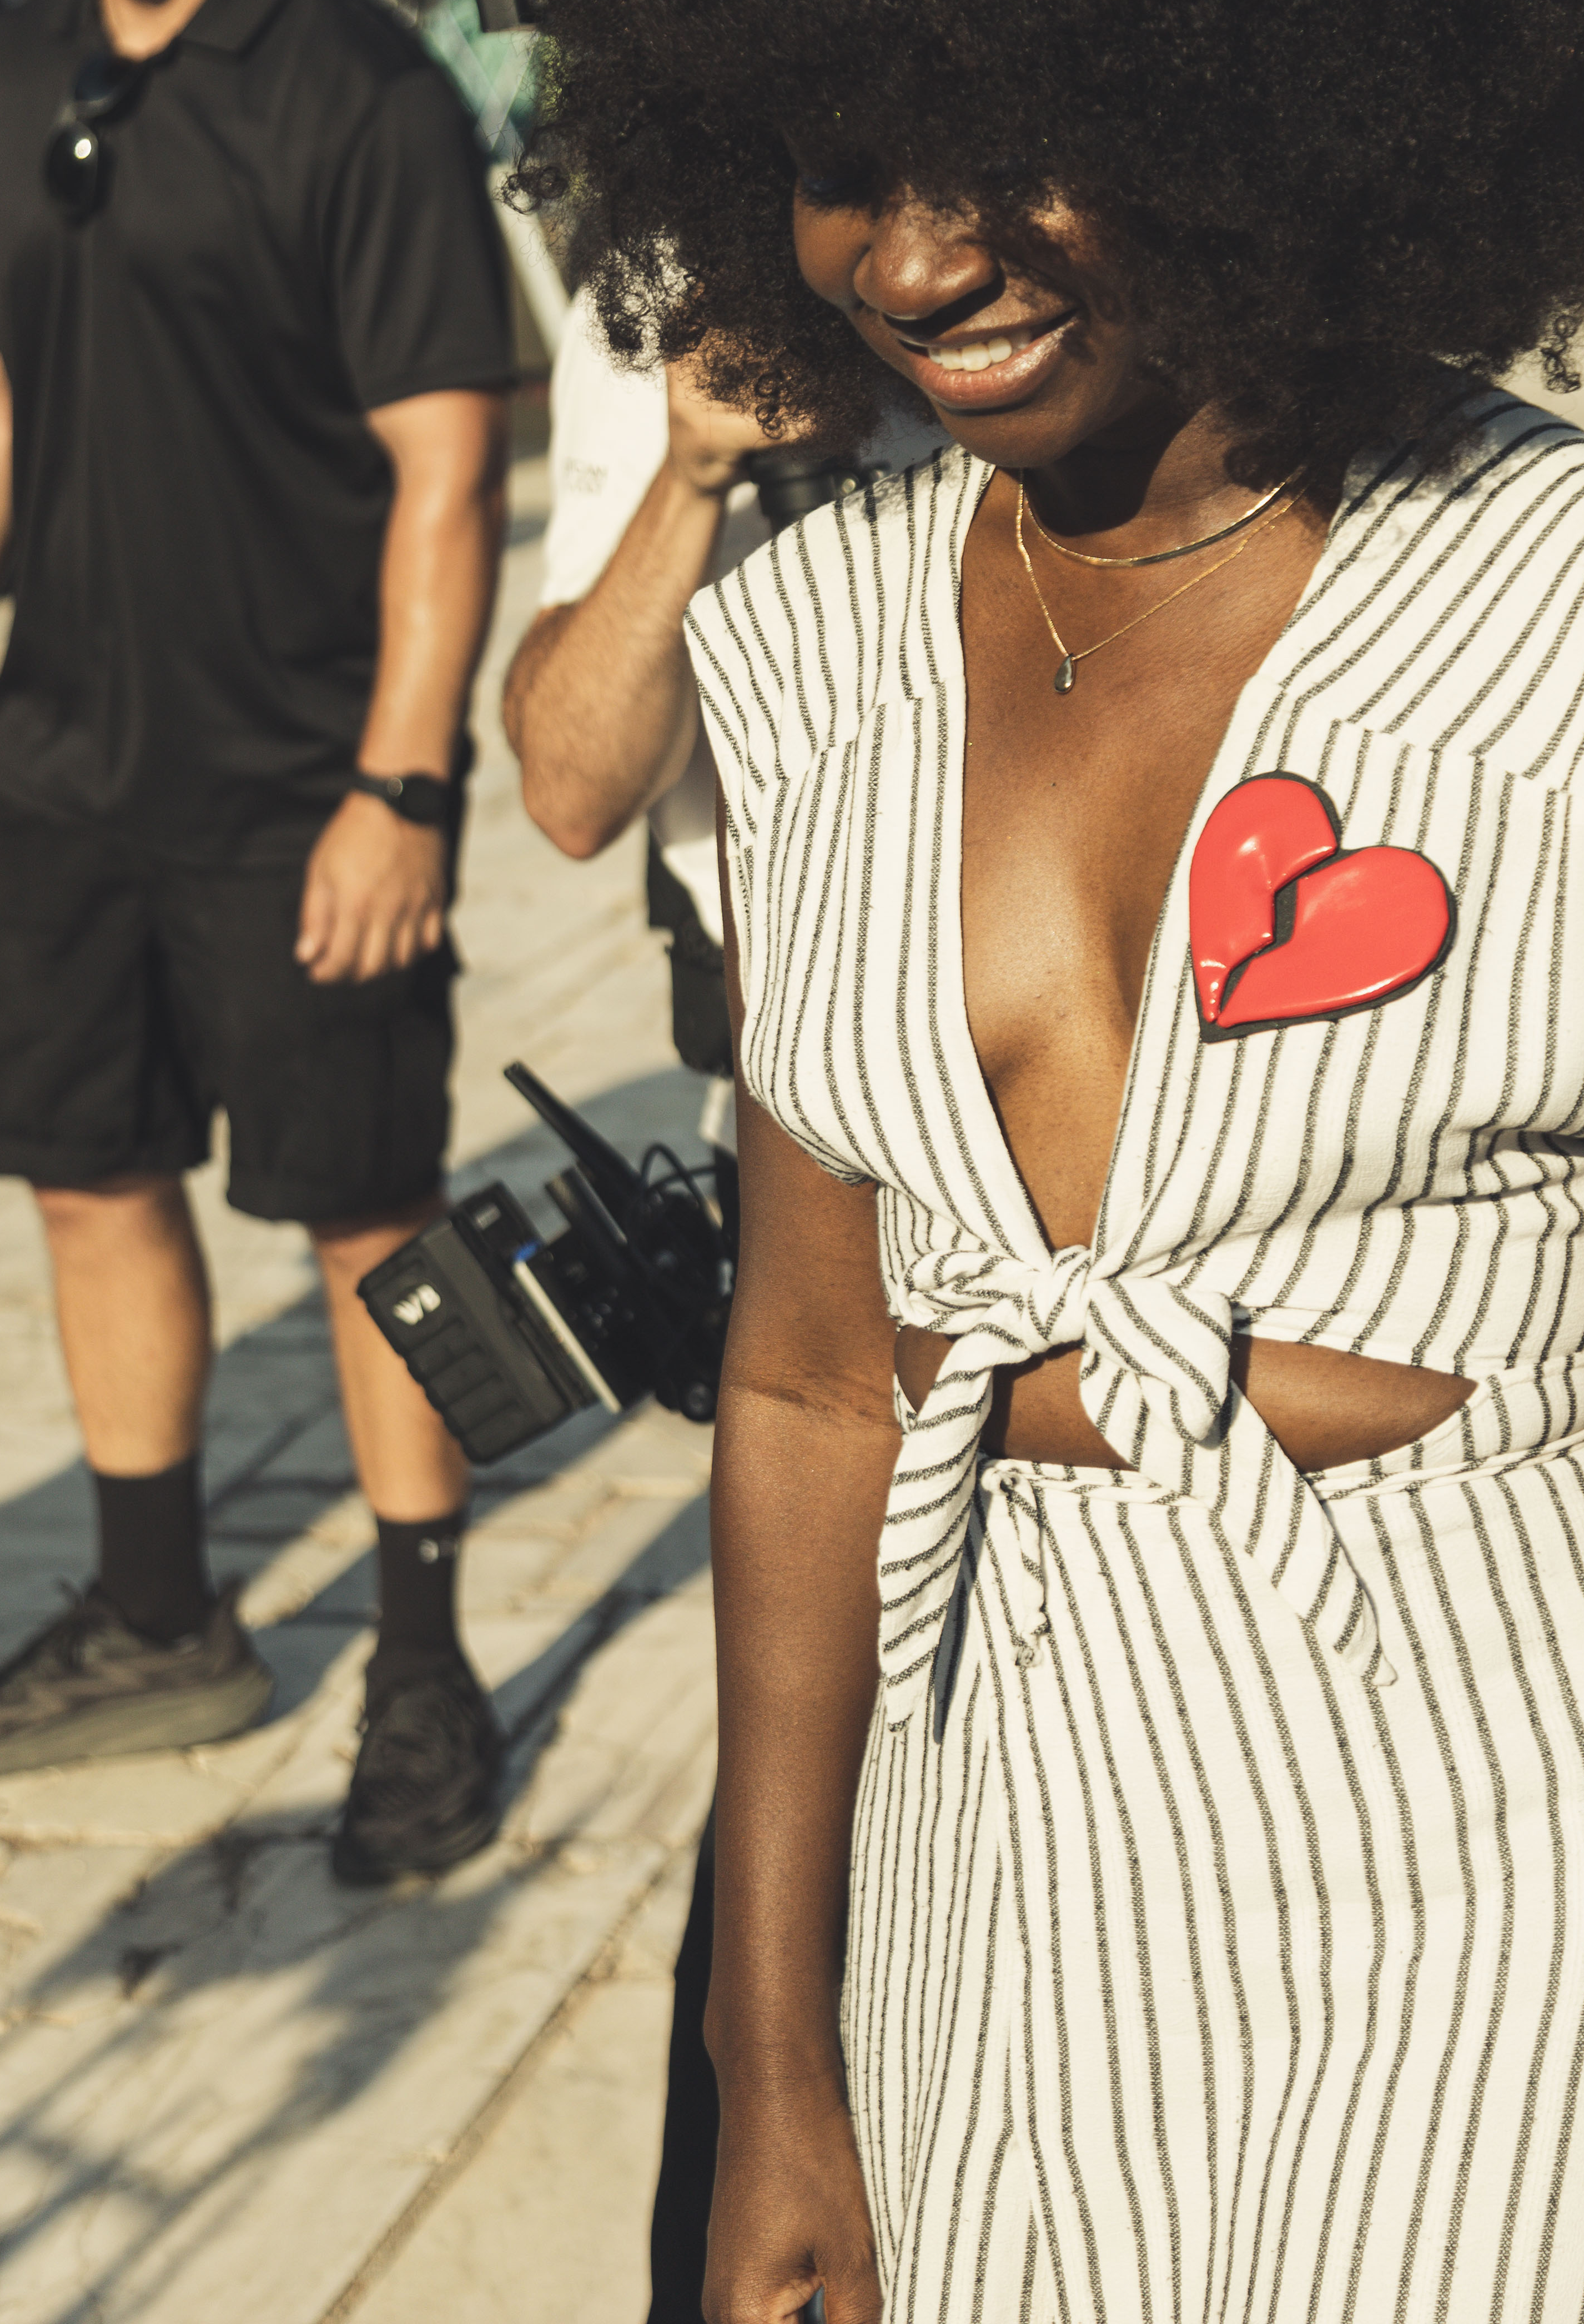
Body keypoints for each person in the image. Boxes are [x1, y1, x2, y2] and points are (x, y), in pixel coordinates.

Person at [527, 0, 1584, 2324]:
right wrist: (771, 2072)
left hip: (1490, 1838)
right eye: (837, 159)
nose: (920, 257)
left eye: (1013, 139)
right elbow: (802, 1404)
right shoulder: (806, 658)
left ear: (1245, 74)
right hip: (988, 1820)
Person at [0, 0, 515, 1886]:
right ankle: (157, 1617)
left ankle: (427, 1657)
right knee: (89, 1170)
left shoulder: (357, 97)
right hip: (73, 764)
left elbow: (444, 477)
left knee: (368, 1216)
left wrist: (403, 787)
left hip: (302, 786)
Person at [504, 300, 938, 2322]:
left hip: (1097, 1092)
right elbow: (575, 783)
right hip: (788, 1106)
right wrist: (692, 472)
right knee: (808, 1758)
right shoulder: (665, 304)